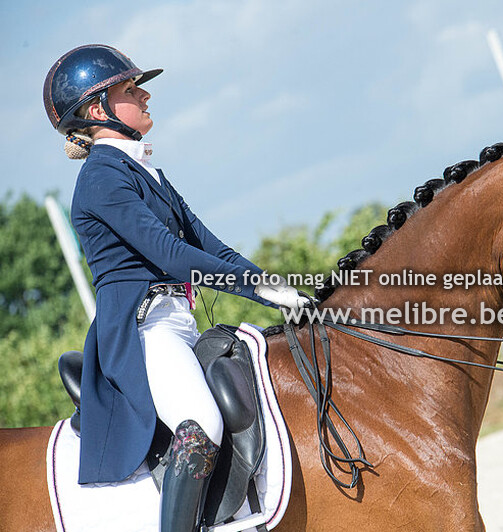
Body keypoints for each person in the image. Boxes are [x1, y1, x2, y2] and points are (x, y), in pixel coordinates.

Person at [43, 44, 308, 532]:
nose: (145, 96)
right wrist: (255, 290)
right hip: (141, 332)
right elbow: (170, 254)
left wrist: (276, 287)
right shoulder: (100, 178)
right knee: (199, 426)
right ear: (98, 110)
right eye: (130, 89)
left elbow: (213, 247)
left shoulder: (148, 173)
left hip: (178, 324)